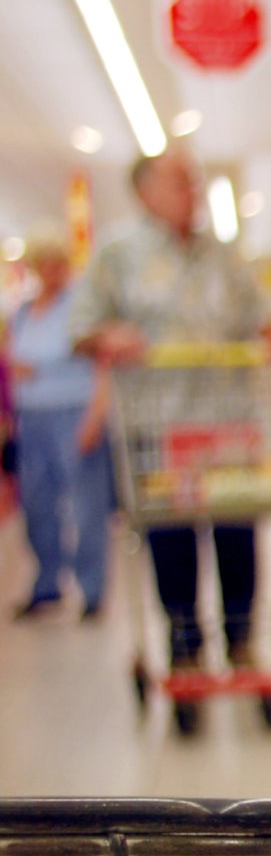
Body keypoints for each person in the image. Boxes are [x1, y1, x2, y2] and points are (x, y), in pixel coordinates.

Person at [75, 151, 271, 667]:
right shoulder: (117, 255)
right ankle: (184, 642)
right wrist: (109, 336)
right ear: (144, 192)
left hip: (227, 421)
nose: (192, 192)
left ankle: (241, 639)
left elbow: (264, 317)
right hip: (158, 425)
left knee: (236, 528)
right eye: (179, 184)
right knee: (171, 535)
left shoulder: (226, 256)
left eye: (194, 183)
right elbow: (81, 330)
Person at [7, 235, 112, 619]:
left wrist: (96, 415)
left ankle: (91, 590)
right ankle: (47, 582)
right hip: (31, 416)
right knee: (36, 504)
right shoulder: (22, 312)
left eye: (58, 262)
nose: (52, 271)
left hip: (75, 410)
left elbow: (102, 364)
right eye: (44, 262)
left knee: (85, 504)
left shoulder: (80, 309)